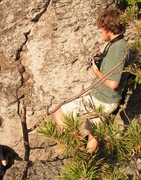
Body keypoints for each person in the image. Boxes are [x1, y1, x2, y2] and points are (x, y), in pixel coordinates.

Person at [52, 8, 131, 153]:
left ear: (108, 28)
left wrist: (96, 71)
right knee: (93, 131)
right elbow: (114, 69)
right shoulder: (118, 44)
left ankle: (77, 148)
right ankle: (87, 159)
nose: (100, 31)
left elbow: (113, 83)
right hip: (108, 100)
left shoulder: (117, 49)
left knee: (58, 112)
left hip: (101, 99)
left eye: (101, 29)